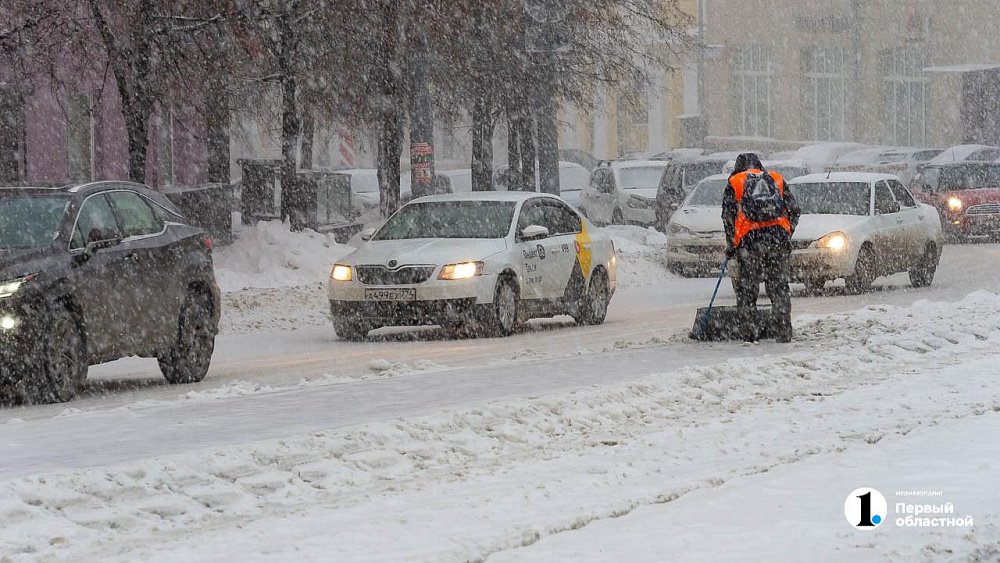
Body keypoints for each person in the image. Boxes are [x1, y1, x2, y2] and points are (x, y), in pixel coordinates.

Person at [722, 153, 801, 342]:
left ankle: (750, 334)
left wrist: (732, 244)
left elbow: (728, 217)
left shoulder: (735, 182)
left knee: (748, 290)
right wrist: (786, 234)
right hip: (778, 243)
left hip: (750, 243)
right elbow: (794, 210)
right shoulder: (776, 179)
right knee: (779, 287)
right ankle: (783, 332)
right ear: (759, 166)